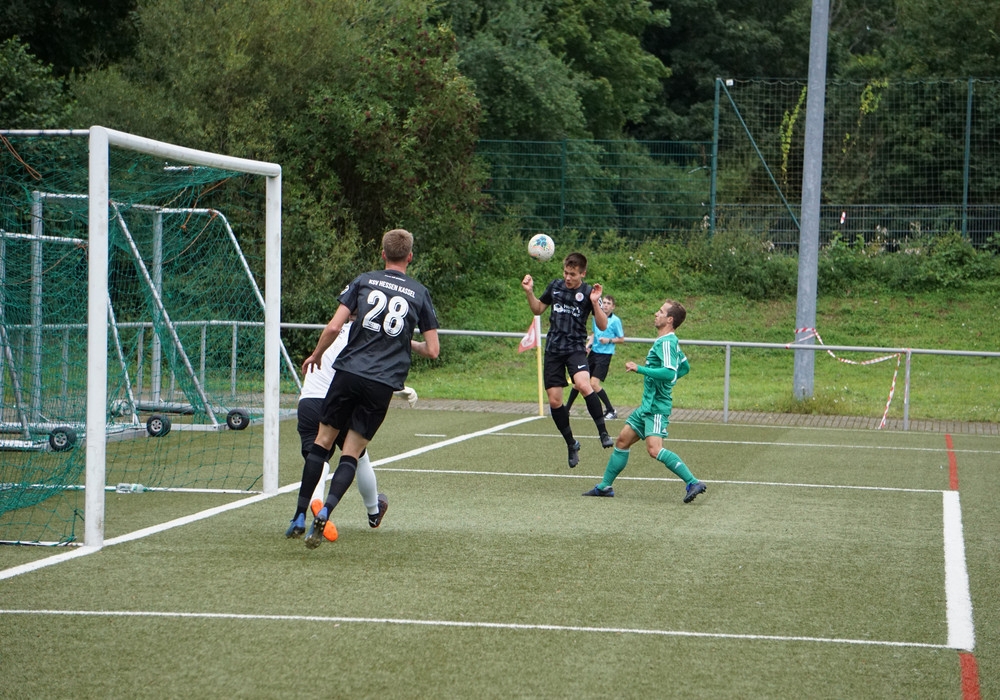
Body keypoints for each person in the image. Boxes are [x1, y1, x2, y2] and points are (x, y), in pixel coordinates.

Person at [300, 228, 440, 549]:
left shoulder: (364, 281)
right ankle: (342, 510)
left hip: (339, 380)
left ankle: (301, 513)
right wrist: (407, 342)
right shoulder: (419, 293)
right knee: (354, 454)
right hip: (379, 383)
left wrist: (316, 355)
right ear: (410, 256)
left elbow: (334, 326)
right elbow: (433, 350)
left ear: (382, 254)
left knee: (320, 448)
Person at [284, 316, 419, 540]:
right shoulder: (364, 335)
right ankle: (373, 512)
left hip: (308, 401)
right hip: (336, 400)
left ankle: (308, 508)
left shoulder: (334, 332)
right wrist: (400, 389)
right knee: (358, 455)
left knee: (316, 456)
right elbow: (366, 373)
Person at [582, 299, 706, 503]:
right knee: (622, 441)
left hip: (656, 407)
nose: (656, 313)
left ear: (670, 319)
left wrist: (640, 369)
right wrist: (667, 383)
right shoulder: (667, 341)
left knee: (654, 449)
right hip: (647, 406)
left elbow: (669, 372)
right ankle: (605, 487)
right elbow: (684, 368)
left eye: (661, 311)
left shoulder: (667, 342)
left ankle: (693, 482)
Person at [521, 252, 613, 469]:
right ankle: (571, 443)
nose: (568, 277)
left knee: (583, 384)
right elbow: (537, 309)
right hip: (554, 349)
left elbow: (602, 325)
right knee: (555, 401)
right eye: (566, 273)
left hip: (575, 349)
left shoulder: (589, 292)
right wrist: (529, 292)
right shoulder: (555, 286)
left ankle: (603, 432)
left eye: (573, 274)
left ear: (583, 274)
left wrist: (595, 303)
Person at [566, 294, 624, 420]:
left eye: (609, 303)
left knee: (593, 384)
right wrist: (588, 346)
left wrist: (608, 340)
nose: (606, 305)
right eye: (604, 303)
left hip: (605, 355)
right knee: (578, 382)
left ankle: (611, 410)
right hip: (594, 353)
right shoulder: (596, 317)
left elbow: (621, 339)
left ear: (613, 307)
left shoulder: (615, 321)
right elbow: (593, 334)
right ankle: (566, 409)